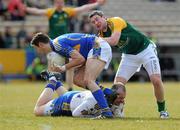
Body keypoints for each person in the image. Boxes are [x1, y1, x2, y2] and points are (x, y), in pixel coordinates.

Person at [89, 10, 169, 119]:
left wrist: (95, 40)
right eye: (93, 22)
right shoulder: (101, 35)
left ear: (104, 17)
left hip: (146, 49)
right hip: (129, 55)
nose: (96, 23)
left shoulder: (115, 21)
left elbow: (114, 40)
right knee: (117, 85)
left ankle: (162, 111)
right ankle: (117, 109)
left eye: (97, 19)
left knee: (156, 80)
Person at [25, 0, 106, 90]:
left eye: (61, 2)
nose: (60, 4)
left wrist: (97, 4)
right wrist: (26, 8)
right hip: (52, 44)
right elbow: (37, 11)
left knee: (71, 66)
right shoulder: (50, 12)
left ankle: (69, 88)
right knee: (53, 66)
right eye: (58, 2)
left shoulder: (67, 11)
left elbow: (82, 8)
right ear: (55, 4)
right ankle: (50, 85)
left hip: (65, 44)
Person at [30, 32, 113, 118]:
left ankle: (106, 112)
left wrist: (63, 68)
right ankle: (109, 93)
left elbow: (80, 59)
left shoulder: (57, 45)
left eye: (37, 48)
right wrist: (64, 67)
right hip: (95, 47)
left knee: (88, 80)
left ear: (41, 44)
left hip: (97, 46)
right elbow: (79, 58)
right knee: (77, 79)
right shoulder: (56, 44)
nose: (38, 51)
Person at [34, 71, 126, 118]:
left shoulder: (114, 99)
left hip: (77, 98)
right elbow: (76, 114)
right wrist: (96, 116)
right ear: (113, 94)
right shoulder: (93, 101)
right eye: (120, 97)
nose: (122, 101)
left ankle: (57, 82)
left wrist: (118, 109)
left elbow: (119, 116)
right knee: (37, 110)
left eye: (123, 98)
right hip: (66, 102)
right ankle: (52, 80)